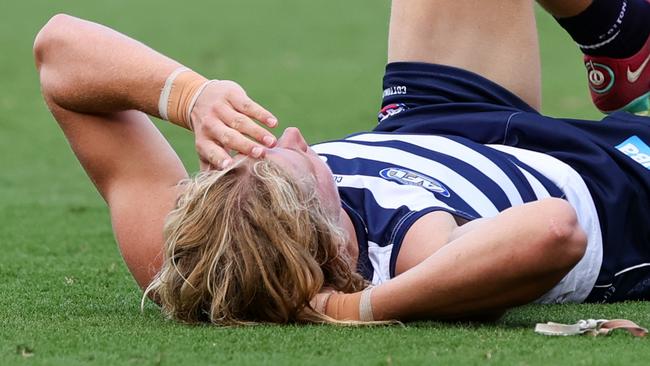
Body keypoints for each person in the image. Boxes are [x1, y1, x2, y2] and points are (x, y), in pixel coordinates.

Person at [34, 0, 650, 325]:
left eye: (252, 155)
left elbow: (59, 51)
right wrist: (357, 310)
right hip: (608, 179)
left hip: (433, 121)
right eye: (300, 162)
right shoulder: (407, 255)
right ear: (334, 242)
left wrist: (190, 96)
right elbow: (551, 231)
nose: (298, 136)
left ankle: (619, 34)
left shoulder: (192, 260)